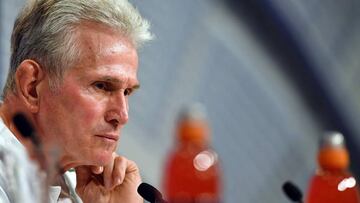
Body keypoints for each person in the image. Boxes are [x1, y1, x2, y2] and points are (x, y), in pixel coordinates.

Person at [0, 0, 153, 202]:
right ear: (32, 87)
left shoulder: (74, 188)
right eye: (102, 86)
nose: (122, 116)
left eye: (127, 92)